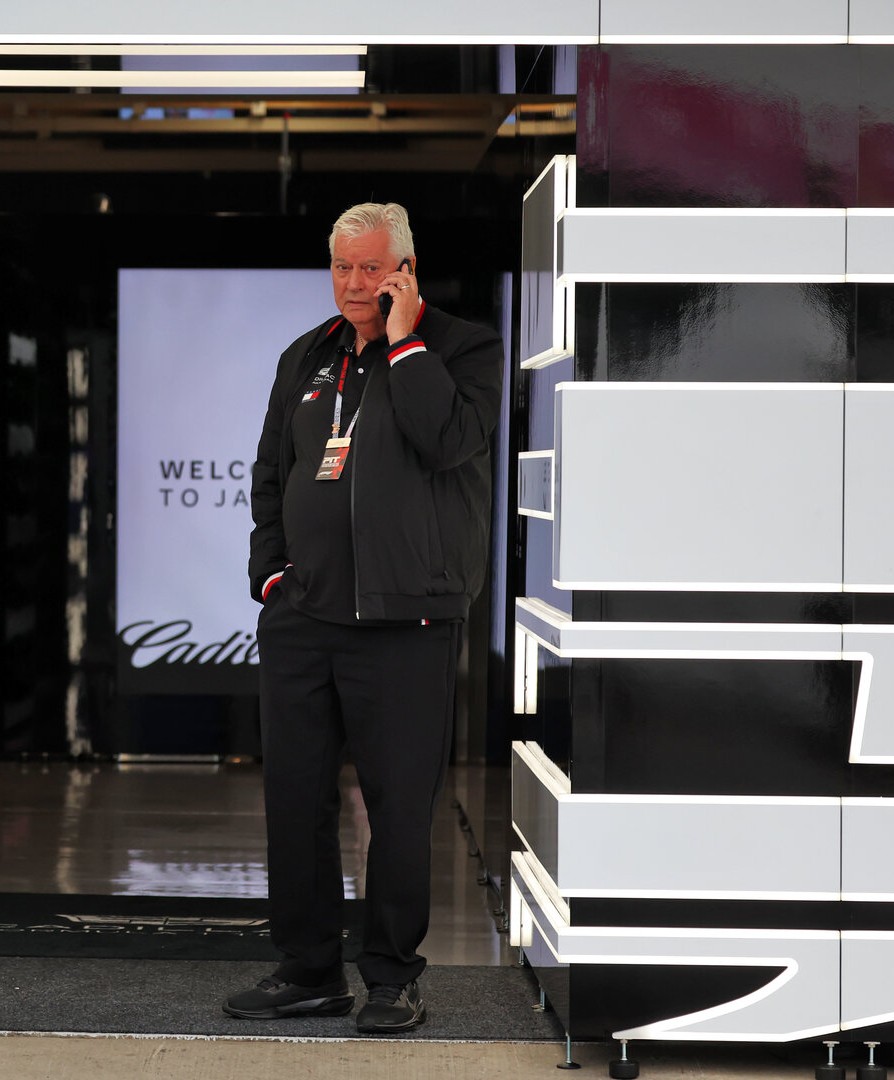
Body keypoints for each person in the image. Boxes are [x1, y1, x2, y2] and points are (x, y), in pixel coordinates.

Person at [225, 203, 503, 1033]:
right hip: (304, 618)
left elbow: (449, 439)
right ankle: (309, 969)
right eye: (343, 267)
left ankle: (391, 978)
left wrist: (408, 340)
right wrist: (270, 577)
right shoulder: (306, 356)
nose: (355, 284)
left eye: (373, 268)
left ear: (406, 271)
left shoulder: (463, 348)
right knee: (295, 798)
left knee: (399, 807)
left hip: (408, 620)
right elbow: (271, 473)